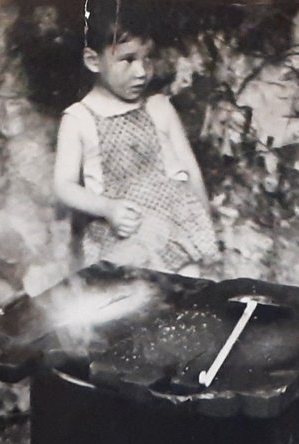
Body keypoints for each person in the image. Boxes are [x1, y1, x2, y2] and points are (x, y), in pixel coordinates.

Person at [52, 5, 219, 276]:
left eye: (147, 58)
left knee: (189, 289)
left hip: (175, 228)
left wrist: (205, 228)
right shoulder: (79, 118)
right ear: (93, 61)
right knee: (130, 291)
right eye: (128, 60)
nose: (142, 71)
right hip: (123, 232)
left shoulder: (159, 107)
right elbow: (63, 186)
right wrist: (107, 208)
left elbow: (191, 171)